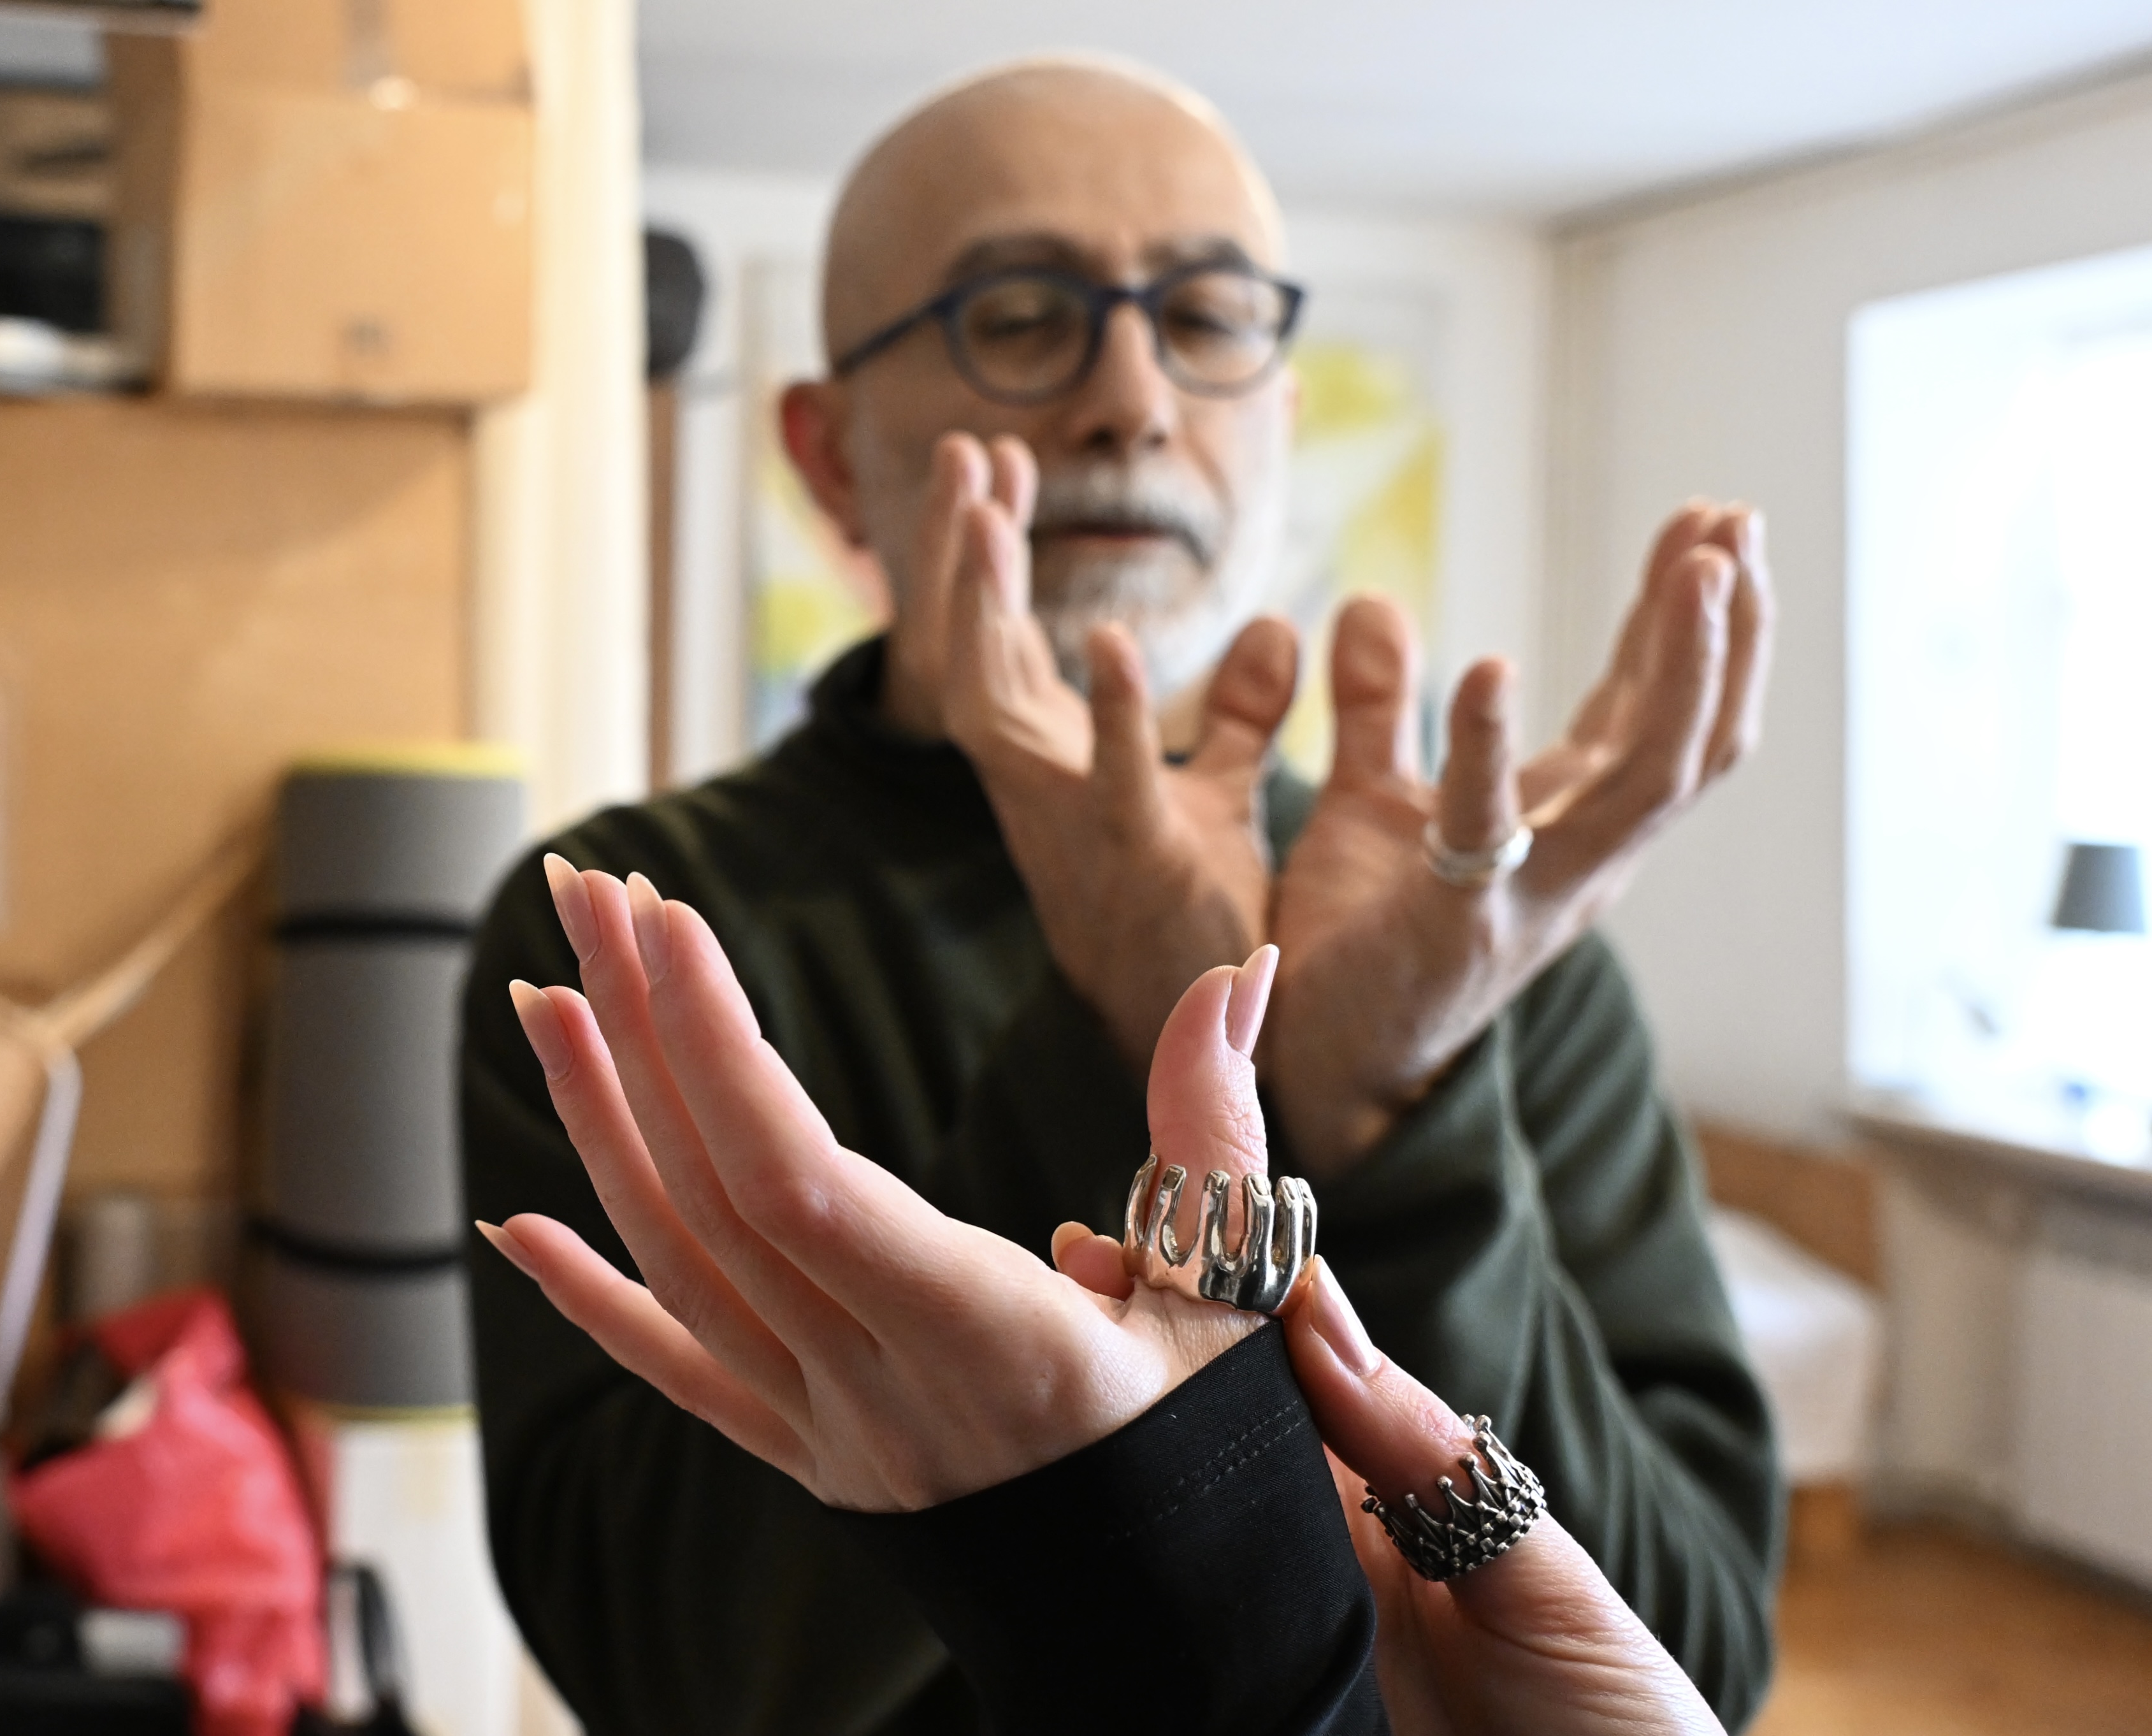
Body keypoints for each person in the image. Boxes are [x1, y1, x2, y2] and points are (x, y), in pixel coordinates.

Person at [461, 54, 1781, 1735]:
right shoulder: (636, 932)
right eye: (1020, 317)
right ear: (829, 454)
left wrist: (1383, 1119)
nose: (1132, 399)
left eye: (1210, 320)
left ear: (1278, 423)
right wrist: (1114, 1052)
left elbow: (1690, 1658)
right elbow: (667, 1672)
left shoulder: (1493, 954)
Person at [480, 866, 1724, 1735]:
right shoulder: (668, 876)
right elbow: (652, 1677)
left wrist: (1393, 1123)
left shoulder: (1527, 956)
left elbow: (1708, 1637)